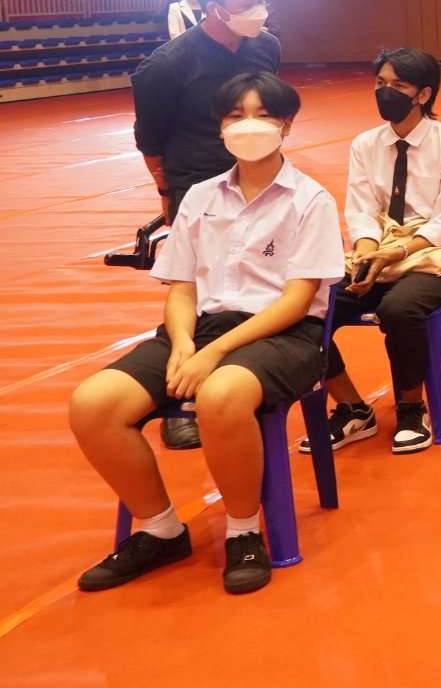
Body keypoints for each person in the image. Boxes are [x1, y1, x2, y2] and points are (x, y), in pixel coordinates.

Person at [68, 72, 342, 595]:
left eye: (263, 115)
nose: (249, 125)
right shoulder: (198, 197)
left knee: (221, 394)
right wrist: (184, 344)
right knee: (92, 404)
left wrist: (211, 354)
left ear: (286, 124)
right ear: (220, 127)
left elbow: (296, 301)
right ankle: (161, 529)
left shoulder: (310, 200)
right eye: (236, 116)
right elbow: (181, 289)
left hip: (284, 335)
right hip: (200, 330)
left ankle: (244, 530)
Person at [130, 0, 283, 451]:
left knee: (261, 279)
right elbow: (151, 141)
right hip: (196, 182)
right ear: (214, 8)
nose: (257, 12)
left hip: (261, 178)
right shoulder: (165, 66)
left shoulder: (267, 47)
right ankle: (182, 396)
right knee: (195, 287)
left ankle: (247, 373)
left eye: (261, 1)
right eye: (246, 4)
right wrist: (170, 194)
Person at [312, 47, 441, 456]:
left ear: (423, 94)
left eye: (398, 85)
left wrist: (395, 253)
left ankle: (411, 407)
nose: (385, 92)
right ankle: (352, 407)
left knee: (399, 309)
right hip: (379, 253)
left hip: (431, 259)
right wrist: (369, 254)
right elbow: (360, 210)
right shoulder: (365, 145)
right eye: (380, 83)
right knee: (308, 304)